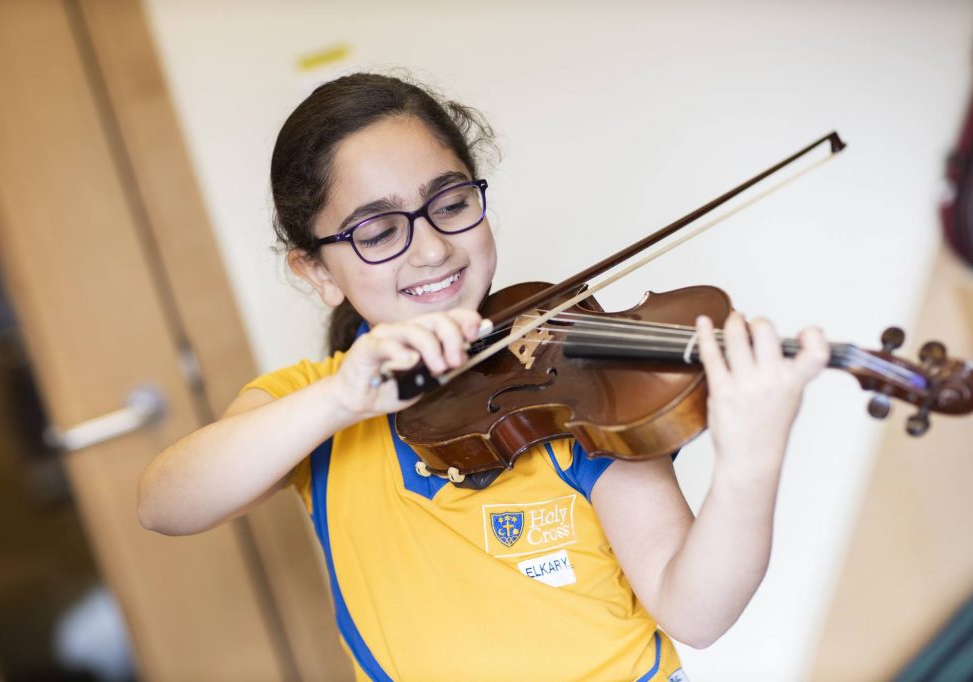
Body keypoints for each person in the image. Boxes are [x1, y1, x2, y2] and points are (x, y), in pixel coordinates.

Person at [137, 73, 830, 681]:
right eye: (377, 233)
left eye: (452, 203)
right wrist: (340, 400)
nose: (433, 247)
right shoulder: (308, 404)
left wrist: (751, 465)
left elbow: (694, 611)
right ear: (316, 271)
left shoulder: (578, 391)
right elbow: (167, 502)